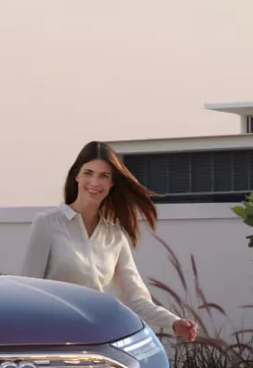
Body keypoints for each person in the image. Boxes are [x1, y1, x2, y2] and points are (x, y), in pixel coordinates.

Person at [19, 141, 199, 344]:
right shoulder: (47, 224)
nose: (95, 182)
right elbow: (29, 291)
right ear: (76, 175)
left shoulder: (115, 236)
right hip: (55, 340)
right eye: (88, 173)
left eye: (104, 176)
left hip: (96, 340)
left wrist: (174, 322)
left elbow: (135, 298)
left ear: (112, 183)